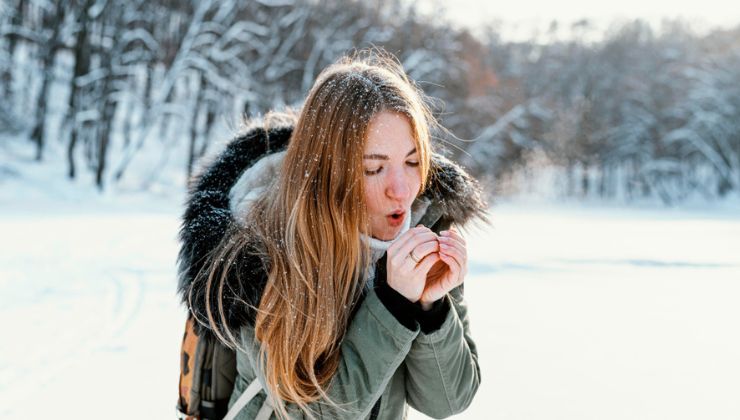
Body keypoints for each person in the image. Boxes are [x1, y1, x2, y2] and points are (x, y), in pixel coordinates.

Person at [177, 50, 487, 419]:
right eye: (374, 169)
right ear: (327, 174)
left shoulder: (425, 228)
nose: (402, 190)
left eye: (413, 161)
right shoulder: (260, 248)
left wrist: (431, 308)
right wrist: (393, 304)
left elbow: (448, 401)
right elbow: (308, 411)